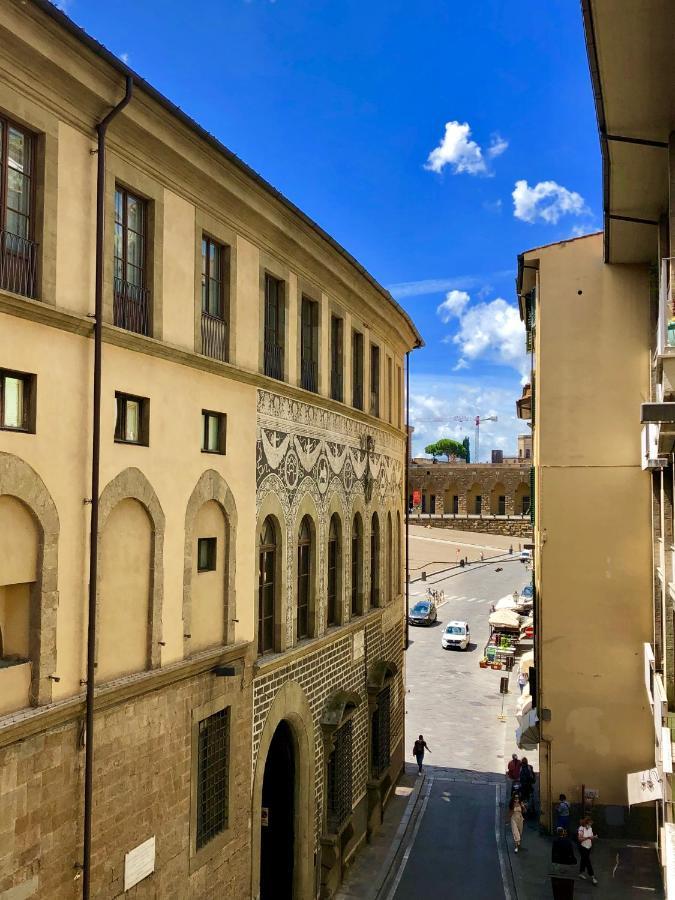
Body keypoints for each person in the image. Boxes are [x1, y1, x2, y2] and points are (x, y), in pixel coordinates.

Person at [551, 827, 577, 900]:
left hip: (558, 866)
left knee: (558, 890)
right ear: (563, 833)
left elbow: (554, 855)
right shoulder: (568, 842)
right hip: (567, 867)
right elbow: (571, 856)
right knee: (567, 889)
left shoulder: (555, 842)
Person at [577, 817, 598, 885]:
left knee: (584, 860)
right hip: (583, 847)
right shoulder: (581, 828)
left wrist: (594, 837)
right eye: (590, 823)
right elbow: (579, 839)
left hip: (589, 846)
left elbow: (591, 837)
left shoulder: (590, 828)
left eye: (591, 824)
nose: (591, 825)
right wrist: (588, 838)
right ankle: (592, 877)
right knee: (587, 861)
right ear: (586, 823)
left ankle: (581, 873)